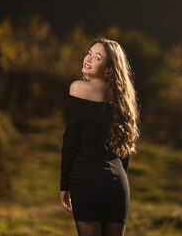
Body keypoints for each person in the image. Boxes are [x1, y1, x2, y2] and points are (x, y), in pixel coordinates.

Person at [60, 38, 139, 236]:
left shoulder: (78, 88)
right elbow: (125, 150)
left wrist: (64, 185)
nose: (88, 59)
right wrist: (119, 182)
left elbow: (70, 141)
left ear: (109, 67)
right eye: (89, 53)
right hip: (117, 184)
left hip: (86, 180)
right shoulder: (123, 98)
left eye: (97, 57)